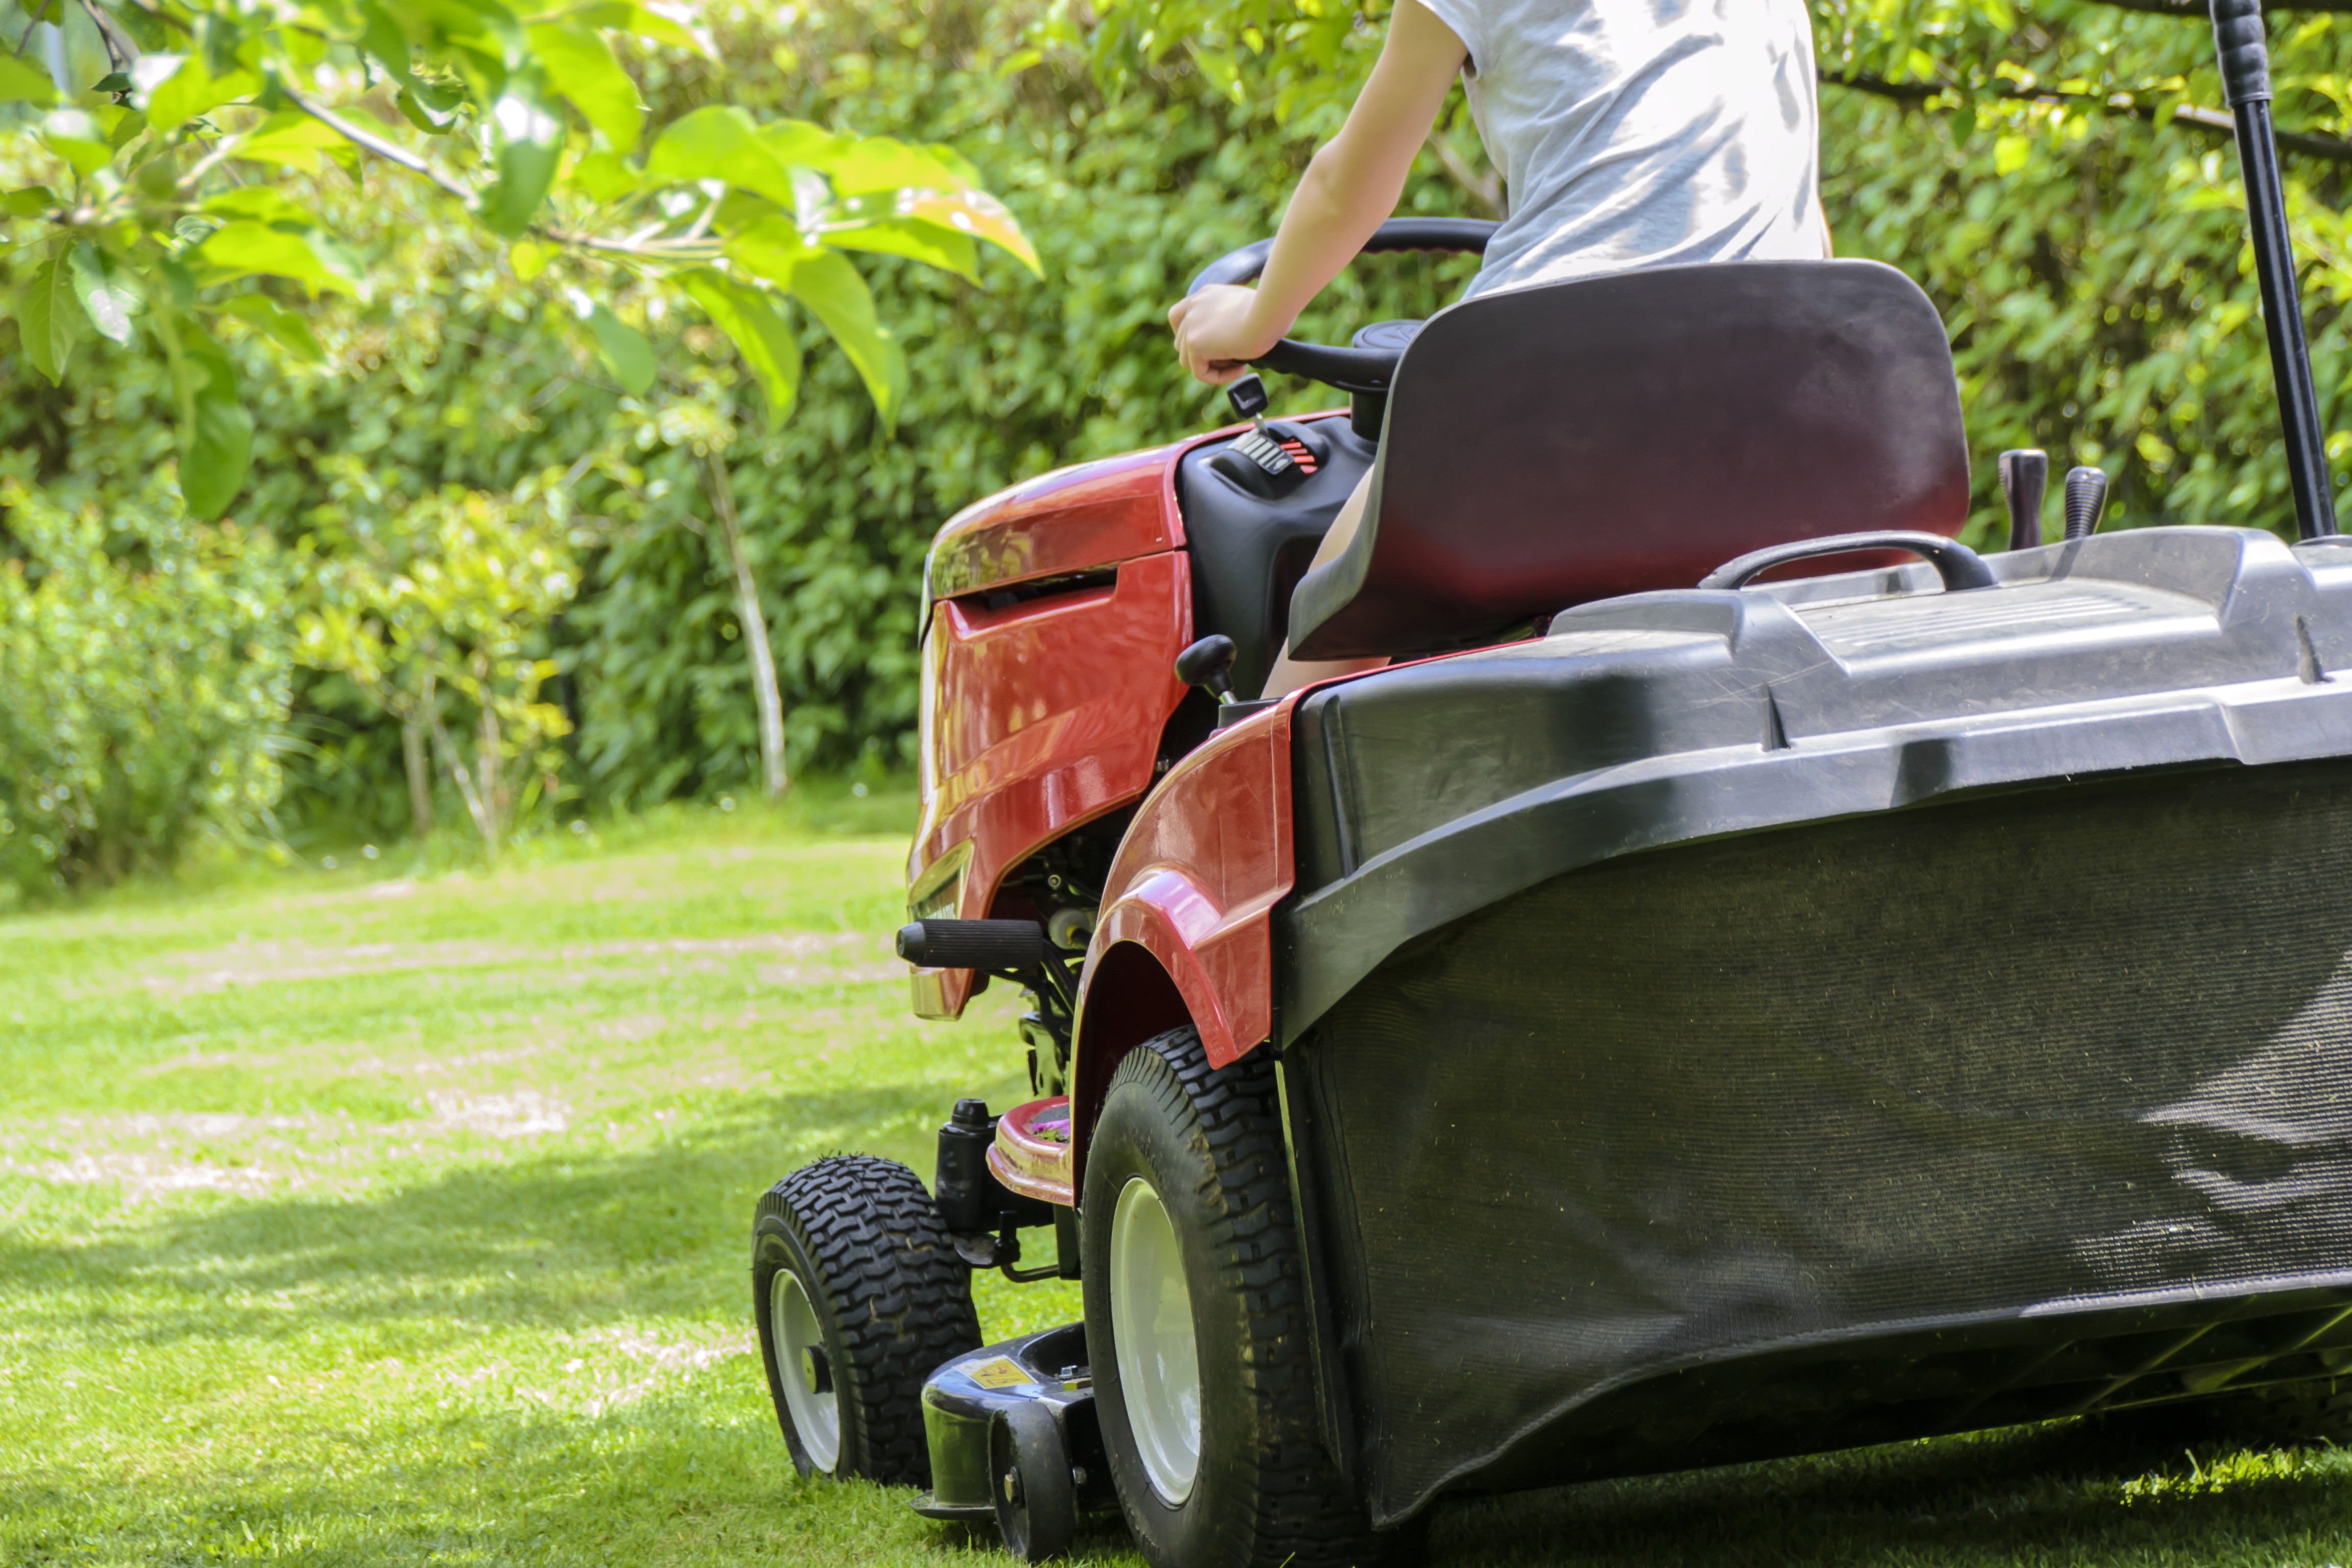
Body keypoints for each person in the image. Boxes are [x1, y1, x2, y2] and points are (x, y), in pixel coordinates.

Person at [1169, 0, 1832, 698]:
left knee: (1332, 610)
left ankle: (1263, 778)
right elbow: (1803, 219)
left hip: (1556, 381)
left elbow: (1346, 187)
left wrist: (1255, 322)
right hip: (1777, 404)